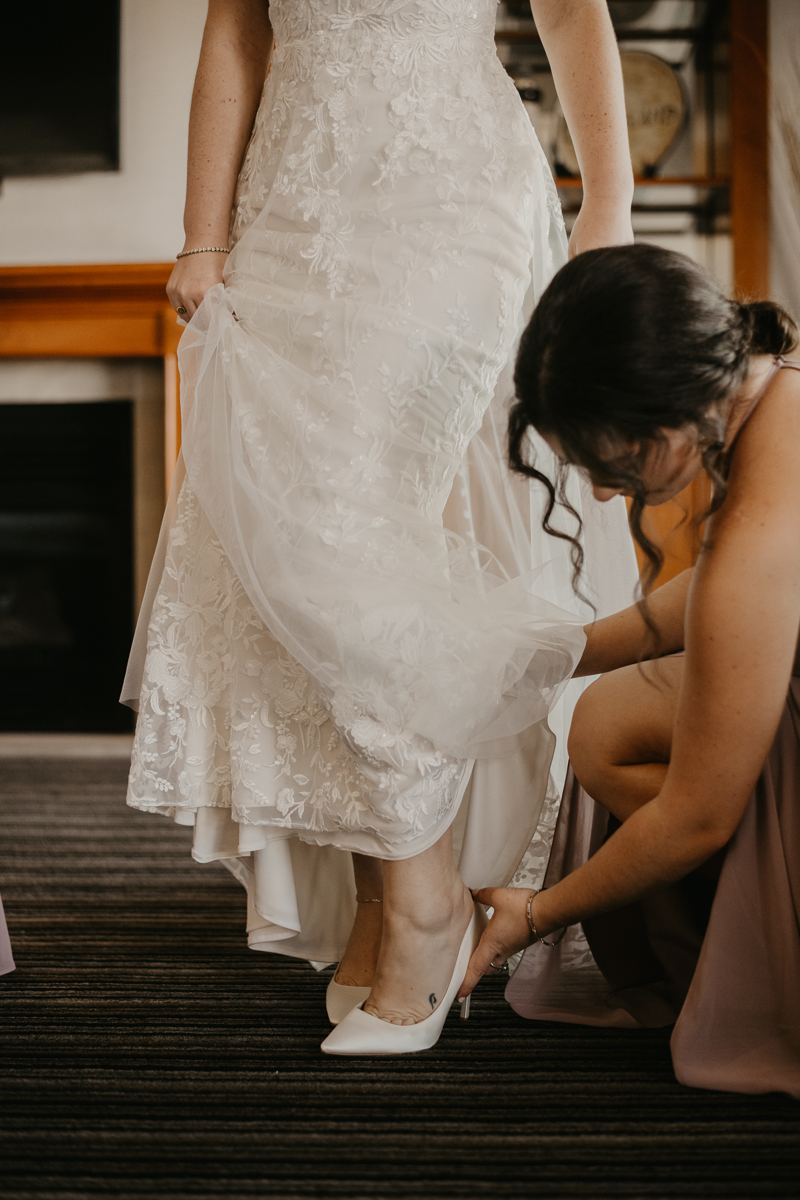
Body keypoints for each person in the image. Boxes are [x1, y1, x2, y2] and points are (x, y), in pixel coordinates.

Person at [121, 0, 638, 1056]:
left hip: (448, 193)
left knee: (358, 540)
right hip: (293, 199)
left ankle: (423, 903)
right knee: (291, 537)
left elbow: (574, 11)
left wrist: (606, 209)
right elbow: (237, 28)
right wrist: (203, 230)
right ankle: (382, 891)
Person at [462, 242, 800, 1098]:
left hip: (707, 807)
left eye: (609, 464)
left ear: (664, 419)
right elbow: (720, 607)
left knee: (613, 729)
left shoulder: (762, 516)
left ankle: (742, 943)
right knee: (606, 710)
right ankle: (714, 944)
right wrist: (559, 651)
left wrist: (531, 916)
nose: (607, 497)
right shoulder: (774, 389)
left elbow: (697, 815)